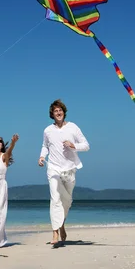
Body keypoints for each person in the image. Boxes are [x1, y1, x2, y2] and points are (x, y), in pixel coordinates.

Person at [38, 99, 90, 247]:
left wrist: (73, 145)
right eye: (55, 111)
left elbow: (86, 145)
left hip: (69, 169)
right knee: (55, 198)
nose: (58, 113)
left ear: (64, 112)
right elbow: (45, 146)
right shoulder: (48, 130)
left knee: (66, 201)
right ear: (52, 114)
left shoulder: (73, 127)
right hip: (53, 167)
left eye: (60, 110)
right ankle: (55, 231)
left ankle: (61, 225)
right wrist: (42, 156)